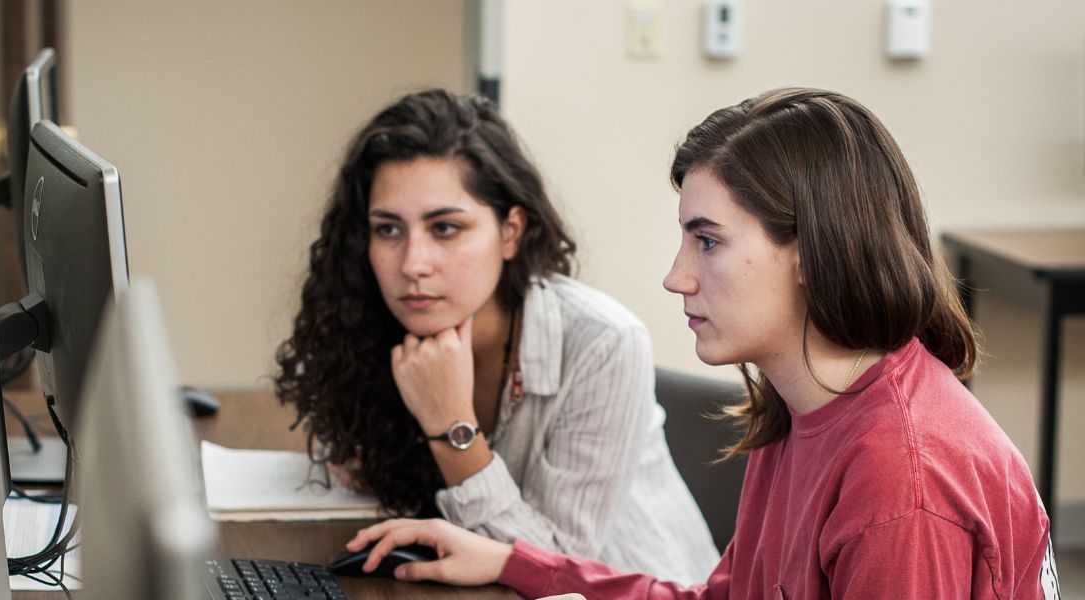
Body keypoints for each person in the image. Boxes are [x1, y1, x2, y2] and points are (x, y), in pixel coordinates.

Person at [343, 88, 1059, 599]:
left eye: (708, 241)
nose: (676, 277)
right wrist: (515, 564)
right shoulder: (804, 405)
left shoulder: (901, 481)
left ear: (814, 251)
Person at [274, 89, 720, 582]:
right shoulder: (386, 324)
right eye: (388, 230)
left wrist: (449, 425)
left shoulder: (603, 341)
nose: (411, 264)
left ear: (510, 232)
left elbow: (554, 563)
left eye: (444, 228)